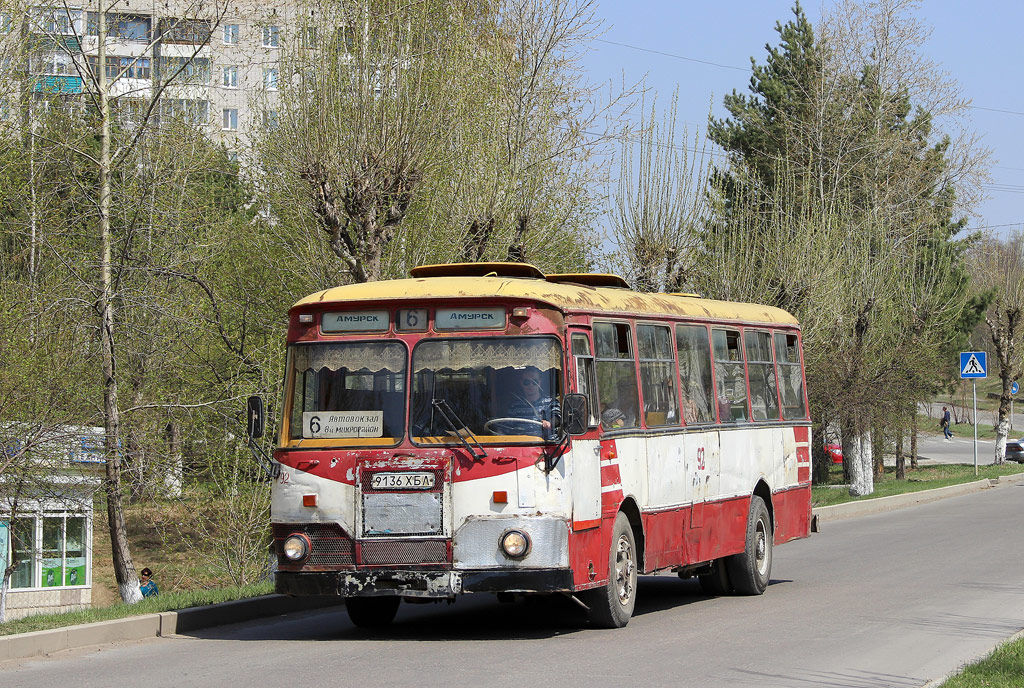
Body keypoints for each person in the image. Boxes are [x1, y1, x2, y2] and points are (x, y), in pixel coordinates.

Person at [504, 367, 560, 438]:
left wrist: (550, 423)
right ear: (521, 383)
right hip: (521, 445)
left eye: (534, 382)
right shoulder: (514, 406)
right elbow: (507, 429)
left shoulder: (551, 402)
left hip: (546, 445)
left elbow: (557, 418)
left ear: (540, 382)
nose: (531, 385)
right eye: (526, 382)